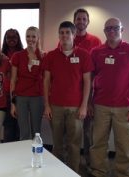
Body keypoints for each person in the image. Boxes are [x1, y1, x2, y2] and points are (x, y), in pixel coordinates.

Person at [89, 18, 129, 177]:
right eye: (108, 29)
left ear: (122, 29)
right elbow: (89, 80)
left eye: (115, 28)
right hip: (100, 106)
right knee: (98, 143)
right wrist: (88, 103)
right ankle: (98, 172)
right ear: (104, 31)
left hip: (125, 108)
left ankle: (124, 174)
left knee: (125, 145)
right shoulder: (96, 52)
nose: (111, 31)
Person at [43, 21, 93, 173]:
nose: (64, 36)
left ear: (74, 35)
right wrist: (47, 105)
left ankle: (72, 172)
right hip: (56, 106)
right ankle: (57, 173)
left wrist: (84, 105)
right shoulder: (51, 56)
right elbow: (46, 82)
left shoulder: (84, 55)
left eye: (67, 33)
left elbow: (87, 82)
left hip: (76, 107)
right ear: (59, 35)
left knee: (74, 144)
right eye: (62, 32)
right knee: (57, 144)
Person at [73, 8, 102, 166]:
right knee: (71, 133)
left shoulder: (96, 41)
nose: (81, 22)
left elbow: (99, 70)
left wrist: (90, 100)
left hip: (90, 93)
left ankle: (91, 164)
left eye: (84, 19)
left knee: (88, 132)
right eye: (78, 19)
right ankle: (72, 163)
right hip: (71, 94)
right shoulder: (67, 38)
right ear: (74, 21)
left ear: (88, 22)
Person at [10, 26, 44, 140]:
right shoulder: (18, 56)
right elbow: (13, 80)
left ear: (38, 38)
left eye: (33, 36)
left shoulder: (43, 56)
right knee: (23, 132)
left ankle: (37, 156)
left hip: (37, 96)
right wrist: (13, 103)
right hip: (21, 97)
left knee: (37, 132)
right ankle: (24, 156)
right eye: (28, 36)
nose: (30, 39)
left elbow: (47, 79)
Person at [1, 29, 24, 142]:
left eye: (14, 37)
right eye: (8, 37)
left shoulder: (23, 54)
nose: (11, 40)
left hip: (20, 93)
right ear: (5, 40)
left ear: (18, 39)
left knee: (20, 125)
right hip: (5, 94)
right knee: (8, 126)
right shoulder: (0, 55)